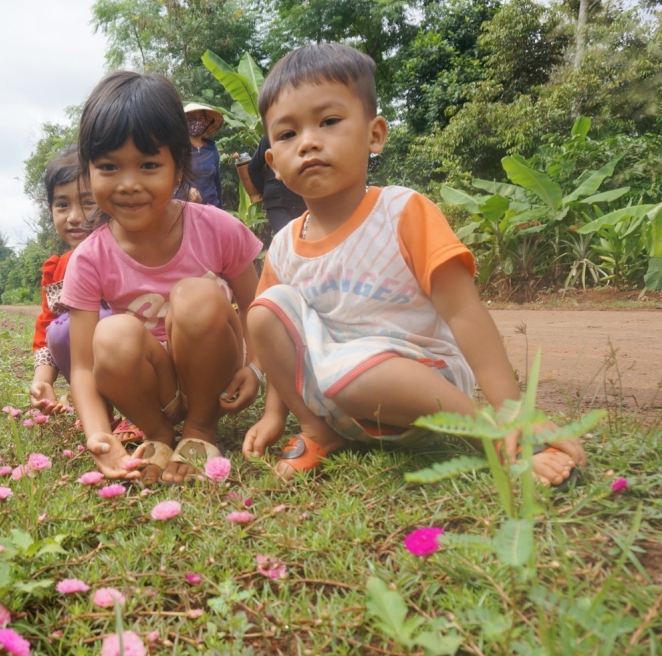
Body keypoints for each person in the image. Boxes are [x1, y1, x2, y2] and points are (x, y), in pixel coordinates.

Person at [240, 43, 586, 486]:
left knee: (354, 375)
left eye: (329, 121)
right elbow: (278, 339)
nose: (307, 141)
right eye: (287, 135)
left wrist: (512, 409)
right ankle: (317, 431)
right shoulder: (285, 243)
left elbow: (464, 312)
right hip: (338, 396)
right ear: (272, 162)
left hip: (421, 385)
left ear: (374, 135)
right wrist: (274, 414)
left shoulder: (403, 212)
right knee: (265, 310)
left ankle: (492, 433)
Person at [62, 71, 264, 485]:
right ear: (89, 171)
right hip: (157, 391)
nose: (129, 184)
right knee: (112, 335)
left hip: (217, 379)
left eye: (149, 164)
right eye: (109, 166)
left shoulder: (218, 227)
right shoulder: (88, 259)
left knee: (196, 296)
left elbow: (258, 309)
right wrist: (97, 433)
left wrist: (258, 368)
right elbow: (83, 367)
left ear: (178, 167)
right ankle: (159, 434)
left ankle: (201, 430)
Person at [27, 148, 144, 440]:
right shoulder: (56, 270)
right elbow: (46, 330)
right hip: (92, 366)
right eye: (62, 205)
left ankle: (140, 412)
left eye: (89, 202)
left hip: (144, 366)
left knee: (109, 323)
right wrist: (42, 380)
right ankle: (98, 411)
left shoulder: (132, 253)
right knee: (62, 329)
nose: (76, 217)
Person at [248, 134, 308, 235]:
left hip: (304, 202)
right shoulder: (272, 134)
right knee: (289, 242)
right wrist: (268, 192)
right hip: (278, 202)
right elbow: (253, 168)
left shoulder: (309, 133)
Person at [181, 103, 224, 208]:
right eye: (192, 118)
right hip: (185, 209)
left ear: (206, 122)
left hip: (211, 208)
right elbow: (171, 178)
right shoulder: (179, 149)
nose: (197, 121)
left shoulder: (212, 149)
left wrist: (221, 210)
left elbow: (217, 182)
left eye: (201, 118)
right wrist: (187, 189)